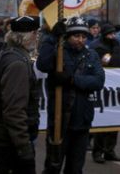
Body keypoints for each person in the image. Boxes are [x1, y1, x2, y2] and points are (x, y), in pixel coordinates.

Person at [37, 16, 105, 174]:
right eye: (76, 36)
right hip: (59, 121)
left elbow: (98, 81)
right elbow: (42, 64)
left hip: (82, 122)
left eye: (83, 36)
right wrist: (51, 37)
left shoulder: (91, 55)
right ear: (67, 37)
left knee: (75, 168)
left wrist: (72, 80)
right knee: (53, 166)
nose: (80, 40)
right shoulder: (58, 52)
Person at [0, 16, 41, 174]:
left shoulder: (8, 55)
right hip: (10, 140)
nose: (37, 37)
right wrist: (23, 145)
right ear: (27, 36)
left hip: (4, 136)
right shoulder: (17, 64)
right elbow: (14, 110)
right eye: (35, 33)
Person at [91, 23, 120, 164]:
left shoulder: (114, 45)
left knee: (115, 121)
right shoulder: (98, 47)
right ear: (105, 35)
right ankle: (97, 152)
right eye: (110, 34)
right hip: (102, 88)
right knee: (103, 122)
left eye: (114, 34)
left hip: (115, 87)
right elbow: (113, 61)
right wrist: (117, 49)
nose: (113, 36)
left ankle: (109, 150)